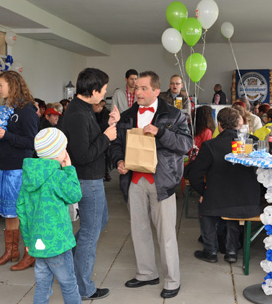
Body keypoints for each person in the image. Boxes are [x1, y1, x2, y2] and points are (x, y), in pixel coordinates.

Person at [110, 71, 192, 299]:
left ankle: (172, 280)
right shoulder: (127, 115)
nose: (139, 92)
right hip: (133, 181)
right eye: (137, 88)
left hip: (162, 182)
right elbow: (116, 143)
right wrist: (119, 161)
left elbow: (186, 145)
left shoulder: (175, 115)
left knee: (166, 234)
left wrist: (161, 133)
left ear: (156, 91)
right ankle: (146, 274)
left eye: (144, 88)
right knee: (139, 231)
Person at [61, 68, 120, 300]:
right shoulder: (76, 113)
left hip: (91, 178)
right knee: (89, 233)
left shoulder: (83, 109)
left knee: (98, 223)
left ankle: (69, 262)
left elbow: (89, 135)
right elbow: (83, 154)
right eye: (103, 91)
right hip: (87, 179)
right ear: (93, 91)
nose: (104, 95)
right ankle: (84, 287)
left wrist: (107, 121)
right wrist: (107, 138)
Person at [17, 128, 82, 304]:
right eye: (64, 148)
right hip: (58, 242)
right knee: (68, 283)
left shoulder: (29, 176)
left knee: (43, 285)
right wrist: (69, 169)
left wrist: (28, 240)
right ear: (57, 152)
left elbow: (21, 210)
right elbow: (75, 194)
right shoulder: (57, 176)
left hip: (38, 241)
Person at [189, 108, 260, 264]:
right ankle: (231, 251)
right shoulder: (251, 142)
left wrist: (204, 192)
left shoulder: (211, 145)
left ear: (219, 125)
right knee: (232, 207)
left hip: (219, 199)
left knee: (204, 208)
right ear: (239, 124)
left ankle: (210, 250)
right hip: (249, 200)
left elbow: (194, 175)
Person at [0, 71, 39, 271]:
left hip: (19, 170)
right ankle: (11, 251)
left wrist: (7, 135)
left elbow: (32, 143)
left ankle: (29, 254)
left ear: (13, 85)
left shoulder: (27, 110)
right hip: (5, 168)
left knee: (23, 213)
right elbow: (0, 143)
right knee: (9, 214)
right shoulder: (6, 109)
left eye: (1, 85)